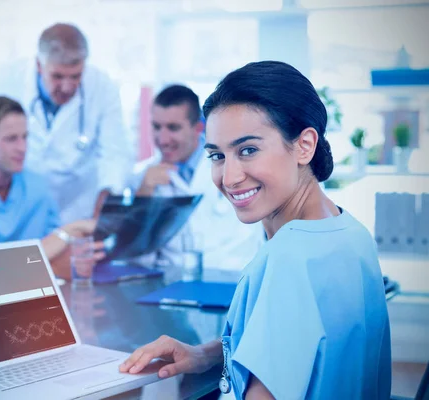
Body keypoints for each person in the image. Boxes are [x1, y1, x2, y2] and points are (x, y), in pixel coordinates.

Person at [119, 62, 391, 399]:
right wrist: (204, 355)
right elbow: (294, 338)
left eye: (248, 150)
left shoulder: (287, 260)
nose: (229, 178)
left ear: (304, 145)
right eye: (217, 155)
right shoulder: (351, 233)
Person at [0, 23, 134, 224]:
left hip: (79, 209)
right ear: (39, 66)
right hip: (21, 206)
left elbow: (115, 151)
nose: (67, 87)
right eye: (57, 77)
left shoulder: (102, 86)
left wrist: (109, 191)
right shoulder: (4, 81)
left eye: (75, 76)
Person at [0, 96, 102, 277]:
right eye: (11, 139)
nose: (22, 148)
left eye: (25, 137)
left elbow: (61, 256)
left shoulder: (37, 186)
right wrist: (69, 231)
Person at [132, 85, 263, 269]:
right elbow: (136, 258)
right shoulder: (143, 177)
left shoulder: (232, 165)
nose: (163, 139)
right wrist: (144, 195)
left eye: (173, 128)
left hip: (230, 282)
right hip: (171, 289)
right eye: (156, 127)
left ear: (198, 128)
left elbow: (248, 242)